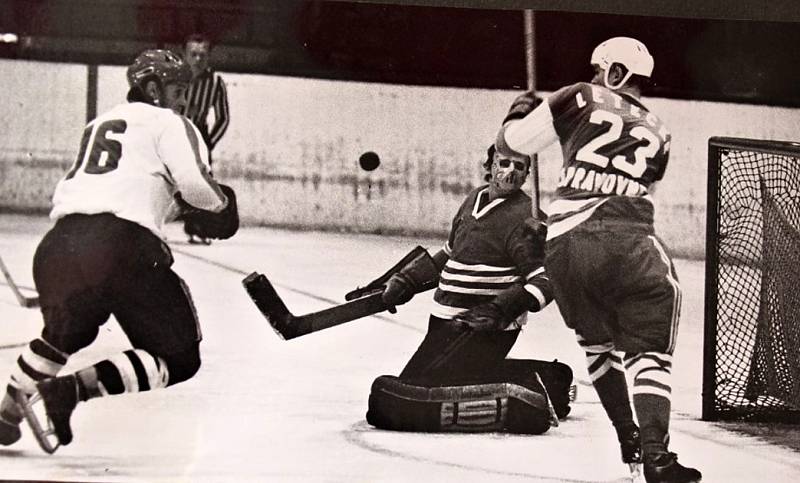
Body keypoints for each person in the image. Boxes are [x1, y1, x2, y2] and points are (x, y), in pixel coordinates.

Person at [0, 49, 238, 454]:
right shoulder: (170, 122)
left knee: (62, 335)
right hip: (122, 248)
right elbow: (196, 186)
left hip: (58, 247)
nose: (182, 100)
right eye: (178, 90)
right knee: (179, 358)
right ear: (151, 88)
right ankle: (71, 390)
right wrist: (223, 206)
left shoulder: (98, 122)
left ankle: (6, 414)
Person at [495, 37, 701, 482]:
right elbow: (638, 189)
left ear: (613, 72)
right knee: (650, 353)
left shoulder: (577, 95)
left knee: (596, 344)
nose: (592, 76)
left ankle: (626, 436)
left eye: (597, 69)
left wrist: (520, 111)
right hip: (626, 239)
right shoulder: (660, 132)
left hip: (565, 246)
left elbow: (511, 145)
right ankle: (656, 455)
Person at [365, 145, 573, 434]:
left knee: (400, 399)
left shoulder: (527, 219)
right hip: (445, 321)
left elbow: (547, 279)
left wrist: (500, 308)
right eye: (504, 163)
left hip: (485, 330)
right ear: (488, 167)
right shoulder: (473, 199)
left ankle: (527, 401)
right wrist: (407, 280)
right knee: (418, 383)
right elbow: (450, 252)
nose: (511, 170)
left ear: (527, 175)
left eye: (519, 166)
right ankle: (546, 379)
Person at [179, 33, 231, 244]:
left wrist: (208, 143)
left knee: (200, 183)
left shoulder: (216, 82)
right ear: (184, 54)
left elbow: (223, 118)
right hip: (171, 129)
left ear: (209, 57)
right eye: (193, 54)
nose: (198, 59)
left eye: (203, 55)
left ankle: (197, 227)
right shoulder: (172, 77)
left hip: (198, 134)